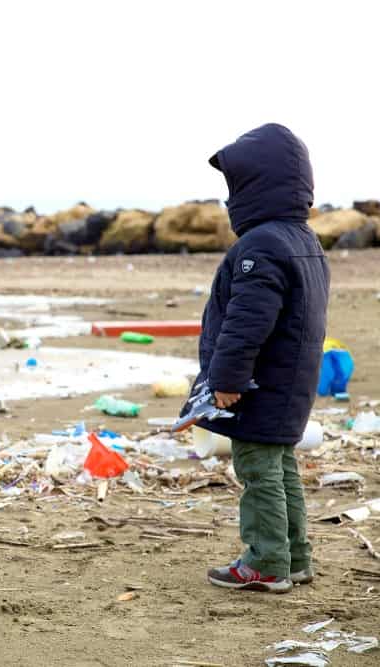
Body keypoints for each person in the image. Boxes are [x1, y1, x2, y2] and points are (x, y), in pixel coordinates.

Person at [191, 123, 330, 593]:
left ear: (255, 186)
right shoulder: (303, 239)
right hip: (292, 381)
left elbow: (249, 321)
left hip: (260, 382)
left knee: (257, 468)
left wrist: (226, 377)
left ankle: (267, 561)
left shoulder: (262, 244)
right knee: (279, 464)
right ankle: (295, 557)